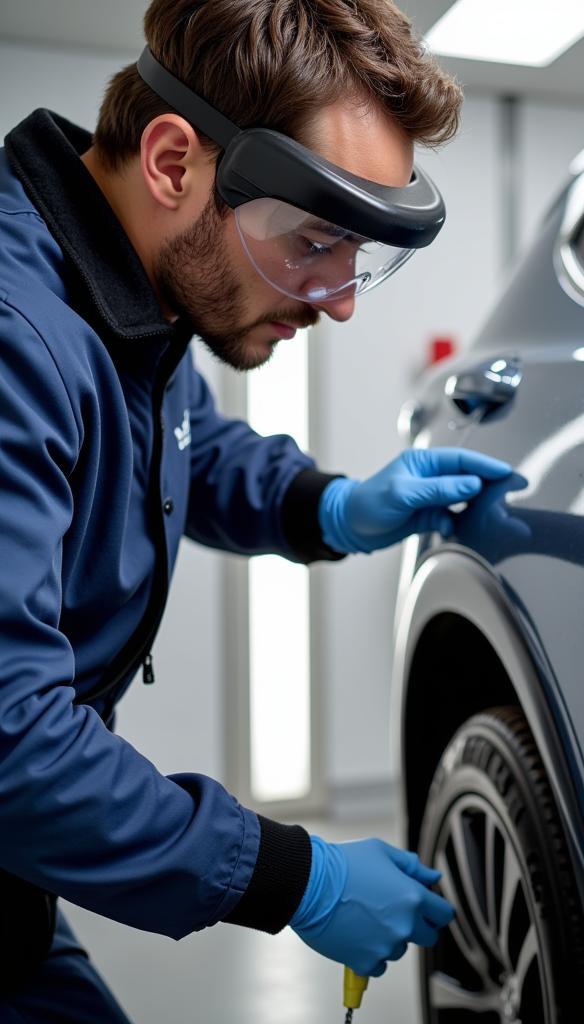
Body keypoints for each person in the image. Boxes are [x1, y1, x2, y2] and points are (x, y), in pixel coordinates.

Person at [0, 1, 514, 1018]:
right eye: (315, 240)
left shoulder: (119, 295)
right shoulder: (16, 334)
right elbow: (10, 743)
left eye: (358, 256)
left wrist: (333, 506)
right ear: (171, 161)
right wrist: (291, 875)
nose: (340, 298)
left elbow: (187, 442)